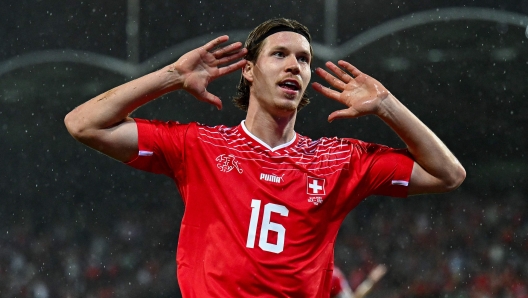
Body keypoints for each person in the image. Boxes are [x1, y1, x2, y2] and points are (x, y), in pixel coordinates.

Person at [64, 18, 465, 297]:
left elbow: (448, 174)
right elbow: (84, 124)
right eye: (280, 55)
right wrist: (170, 76)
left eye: (304, 59)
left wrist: (387, 106)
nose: (294, 64)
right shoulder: (200, 146)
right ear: (250, 71)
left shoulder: (339, 160)